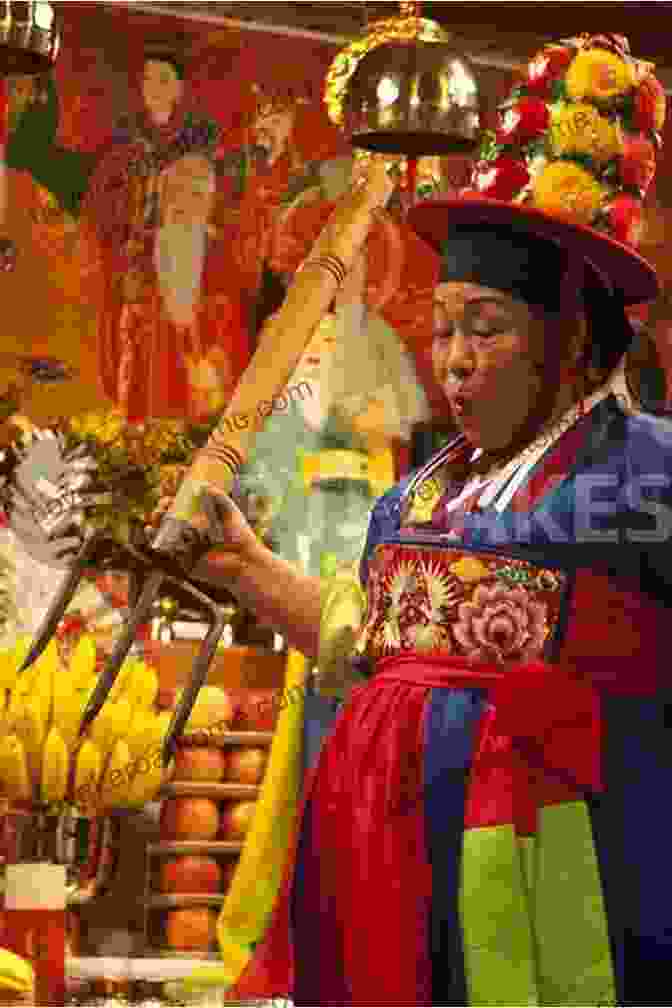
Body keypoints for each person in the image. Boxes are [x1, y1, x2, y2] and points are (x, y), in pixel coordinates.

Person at [181, 34, 670, 1006]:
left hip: (578, 886)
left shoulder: (645, 472)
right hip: (392, 880)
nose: (451, 359)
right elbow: (372, 652)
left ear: (571, 340)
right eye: (443, 327)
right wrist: (244, 569)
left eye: (485, 328)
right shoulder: (416, 495)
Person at [94, 150, 249, 422]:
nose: (184, 203)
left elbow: (234, 328)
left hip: (203, 398)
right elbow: (117, 329)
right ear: (163, 200)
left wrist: (212, 365)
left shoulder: (221, 257)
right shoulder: (138, 253)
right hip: (147, 394)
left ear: (209, 204)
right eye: (175, 192)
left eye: (195, 195)